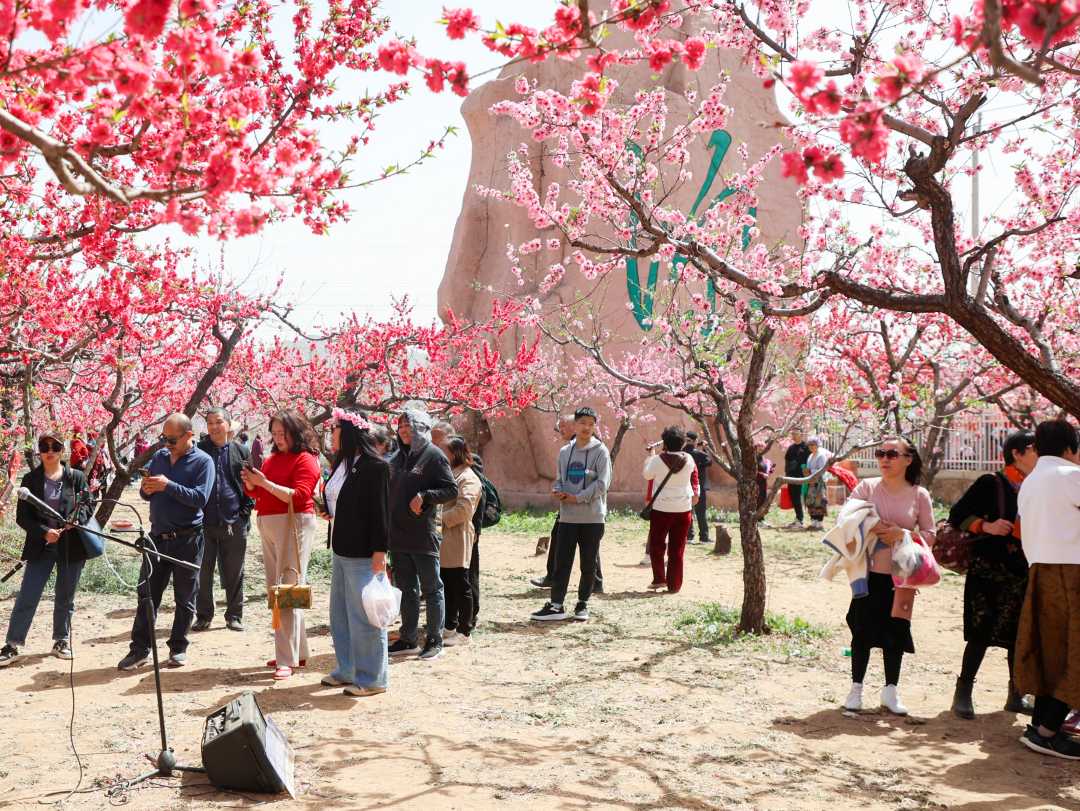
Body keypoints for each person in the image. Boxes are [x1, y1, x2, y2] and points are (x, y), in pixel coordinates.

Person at [840, 437, 935, 716]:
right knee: (861, 631)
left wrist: (904, 534)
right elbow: (845, 518)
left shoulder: (919, 495)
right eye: (880, 453)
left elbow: (931, 535)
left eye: (893, 454)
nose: (885, 459)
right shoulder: (866, 487)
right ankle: (855, 689)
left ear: (908, 459)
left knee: (896, 633)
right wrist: (874, 525)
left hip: (902, 578)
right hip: (867, 574)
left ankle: (890, 690)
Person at [948, 430, 1037, 719]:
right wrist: (986, 526)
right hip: (988, 570)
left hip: (1021, 571)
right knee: (981, 632)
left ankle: (1015, 694)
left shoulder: (1037, 486)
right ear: (1017, 453)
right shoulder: (992, 482)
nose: (1040, 455)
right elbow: (957, 514)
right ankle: (963, 692)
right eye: (1034, 449)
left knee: (1016, 635)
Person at [118, 414, 214, 671]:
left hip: (188, 539)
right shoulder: (159, 458)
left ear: (188, 436)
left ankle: (178, 648)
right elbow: (148, 492)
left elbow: (200, 498)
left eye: (172, 439)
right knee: (147, 595)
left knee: (185, 597)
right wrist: (146, 489)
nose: (167, 443)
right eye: (164, 438)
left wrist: (168, 485)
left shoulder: (204, 462)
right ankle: (139, 650)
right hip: (157, 537)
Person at [1013, 419, 1080, 760]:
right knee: (1073, 652)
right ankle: (1047, 732)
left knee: (1050, 650)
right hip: (1072, 572)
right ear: (1072, 447)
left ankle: (1041, 725)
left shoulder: (1031, 481)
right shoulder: (1072, 477)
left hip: (1039, 571)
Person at [0, 431, 94, 666]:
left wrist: (76, 521)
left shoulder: (76, 477)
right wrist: (44, 532)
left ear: (63, 450)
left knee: (65, 596)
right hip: (41, 546)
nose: (50, 451)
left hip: (71, 546)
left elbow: (87, 505)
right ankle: (12, 643)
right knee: (28, 595)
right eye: (45, 447)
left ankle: (61, 640)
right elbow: (23, 517)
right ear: (39, 451)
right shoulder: (30, 480)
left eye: (55, 446)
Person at [242, 410, 321, 680]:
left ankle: (286, 659)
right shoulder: (272, 458)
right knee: (281, 589)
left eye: (282, 433)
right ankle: (296, 652)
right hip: (269, 523)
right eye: (274, 433)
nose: (277, 438)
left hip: (295, 523)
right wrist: (252, 484)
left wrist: (263, 483)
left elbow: (300, 496)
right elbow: (262, 491)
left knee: (287, 589)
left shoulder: (306, 459)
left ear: (295, 433)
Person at [318, 409, 390, 697]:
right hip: (341, 548)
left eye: (334, 428)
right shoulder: (341, 463)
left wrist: (380, 553)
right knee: (341, 615)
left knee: (365, 617)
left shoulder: (376, 467)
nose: (331, 433)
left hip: (363, 553)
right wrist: (326, 510)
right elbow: (338, 500)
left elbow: (380, 514)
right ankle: (347, 668)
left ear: (348, 431)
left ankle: (372, 678)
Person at [386, 404, 458, 661]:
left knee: (431, 588)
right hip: (398, 536)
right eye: (401, 426)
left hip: (422, 536)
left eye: (409, 425)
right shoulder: (396, 458)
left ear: (421, 427)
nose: (404, 431)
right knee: (406, 588)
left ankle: (435, 640)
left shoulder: (433, 455)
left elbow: (451, 490)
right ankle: (407, 639)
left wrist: (425, 496)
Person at [531, 406, 611, 623]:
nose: (586, 427)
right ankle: (556, 605)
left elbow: (602, 484)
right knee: (561, 562)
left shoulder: (601, 451)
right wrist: (557, 489)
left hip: (592, 518)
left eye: (591, 424)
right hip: (567, 517)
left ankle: (582, 604)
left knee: (588, 563)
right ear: (575, 425)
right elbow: (559, 478)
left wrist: (578, 498)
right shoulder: (565, 452)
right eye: (582, 423)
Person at [193, 407, 254, 632]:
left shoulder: (241, 451)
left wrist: (243, 514)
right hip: (203, 523)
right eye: (210, 423)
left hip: (234, 522)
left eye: (219, 422)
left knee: (235, 571)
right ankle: (203, 615)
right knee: (202, 571)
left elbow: (251, 486)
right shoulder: (198, 451)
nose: (214, 427)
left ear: (228, 424)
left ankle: (234, 615)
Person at [437, 436, 483, 646]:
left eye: (444, 452)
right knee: (447, 582)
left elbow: (464, 510)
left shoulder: (468, 478)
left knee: (459, 583)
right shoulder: (452, 474)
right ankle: (449, 625)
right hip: (446, 536)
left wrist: (438, 519)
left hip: (457, 536)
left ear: (455, 453)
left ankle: (465, 630)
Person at [642, 426, 698, 594]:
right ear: (682, 443)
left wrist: (651, 456)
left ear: (665, 443)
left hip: (661, 509)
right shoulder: (689, 459)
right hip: (683, 509)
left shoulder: (658, 459)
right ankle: (674, 585)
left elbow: (647, 475)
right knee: (677, 548)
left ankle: (659, 578)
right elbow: (694, 477)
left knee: (657, 545)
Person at [684, 431, 712, 544]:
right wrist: (703, 449)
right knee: (701, 512)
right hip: (698, 486)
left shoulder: (682, 453)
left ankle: (689, 536)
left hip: (685, 486)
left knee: (687, 511)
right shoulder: (699, 454)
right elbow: (709, 461)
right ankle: (704, 537)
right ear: (695, 441)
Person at [783, 429, 810, 530]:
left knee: (802, 498)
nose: (793, 436)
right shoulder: (791, 448)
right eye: (792, 434)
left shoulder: (806, 447)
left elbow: (809, 461)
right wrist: (787, 475)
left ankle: (804, 519)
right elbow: (787, 462)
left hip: (803, 477)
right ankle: (798, 518)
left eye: (795, 434)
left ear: (801, 434)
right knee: (794, 497)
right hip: (791, 477)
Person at [804, 436, 832, 531]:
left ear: (817, 445)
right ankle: (813, 522)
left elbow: (822, 470)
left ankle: (819, 523)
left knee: (819, 502)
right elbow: (808, 469)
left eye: (813, 445)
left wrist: (810, 470)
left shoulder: (821, 456)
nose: (811, 447)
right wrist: (806, 471)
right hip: (811, 482)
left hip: (819, 482)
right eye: (810, 445)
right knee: (810, 501)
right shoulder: (810, 456)